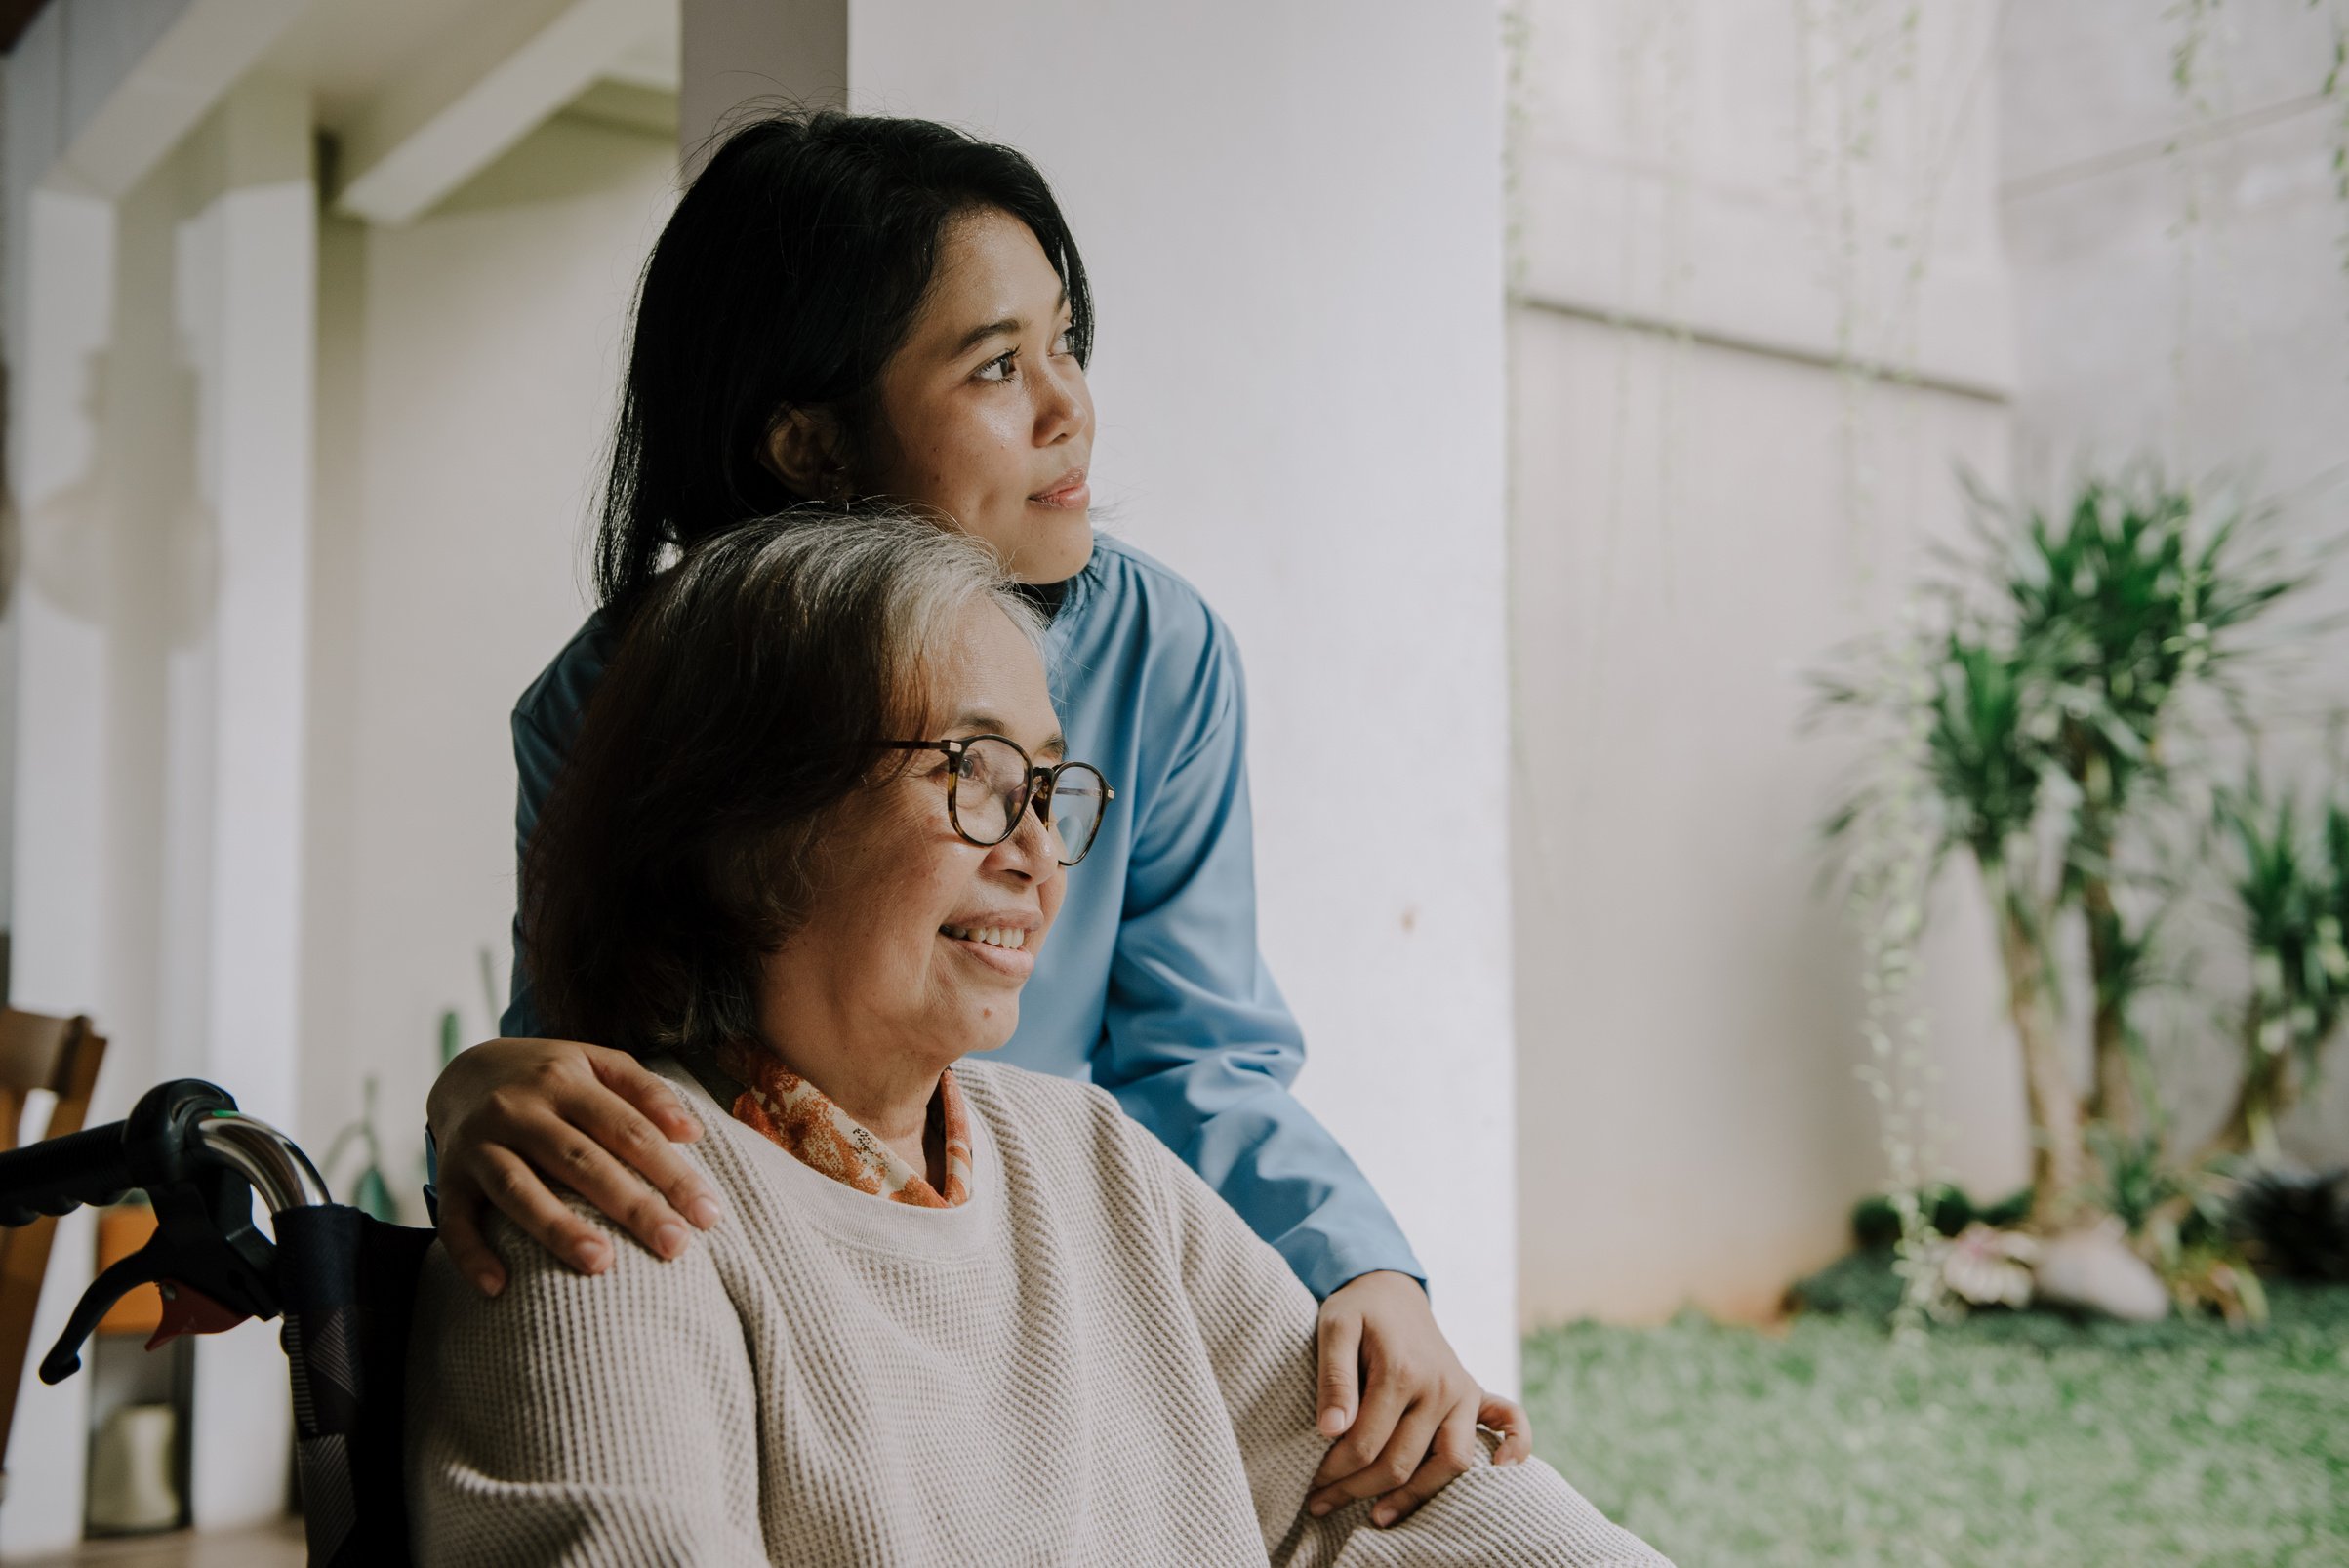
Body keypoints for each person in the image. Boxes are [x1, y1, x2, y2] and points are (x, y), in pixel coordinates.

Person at [424, 109, 1522, 1523]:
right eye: (999, 366)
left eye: (1067, 343)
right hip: (787, 1313)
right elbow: (603, 1055)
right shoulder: (609, 705)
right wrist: (484, 1083)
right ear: (810, 446)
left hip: (1065, 1292)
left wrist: (1359, 1272)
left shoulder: (1157, 651)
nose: (1070, 408)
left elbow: (1203, 1055)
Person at [407, 512, 1665, 1568]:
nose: (1035, 853)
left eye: (1049, 787)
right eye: (972, 771)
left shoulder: (1090, 1162)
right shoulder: (605, 1199)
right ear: (745, 819)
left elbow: (1388, 1514)